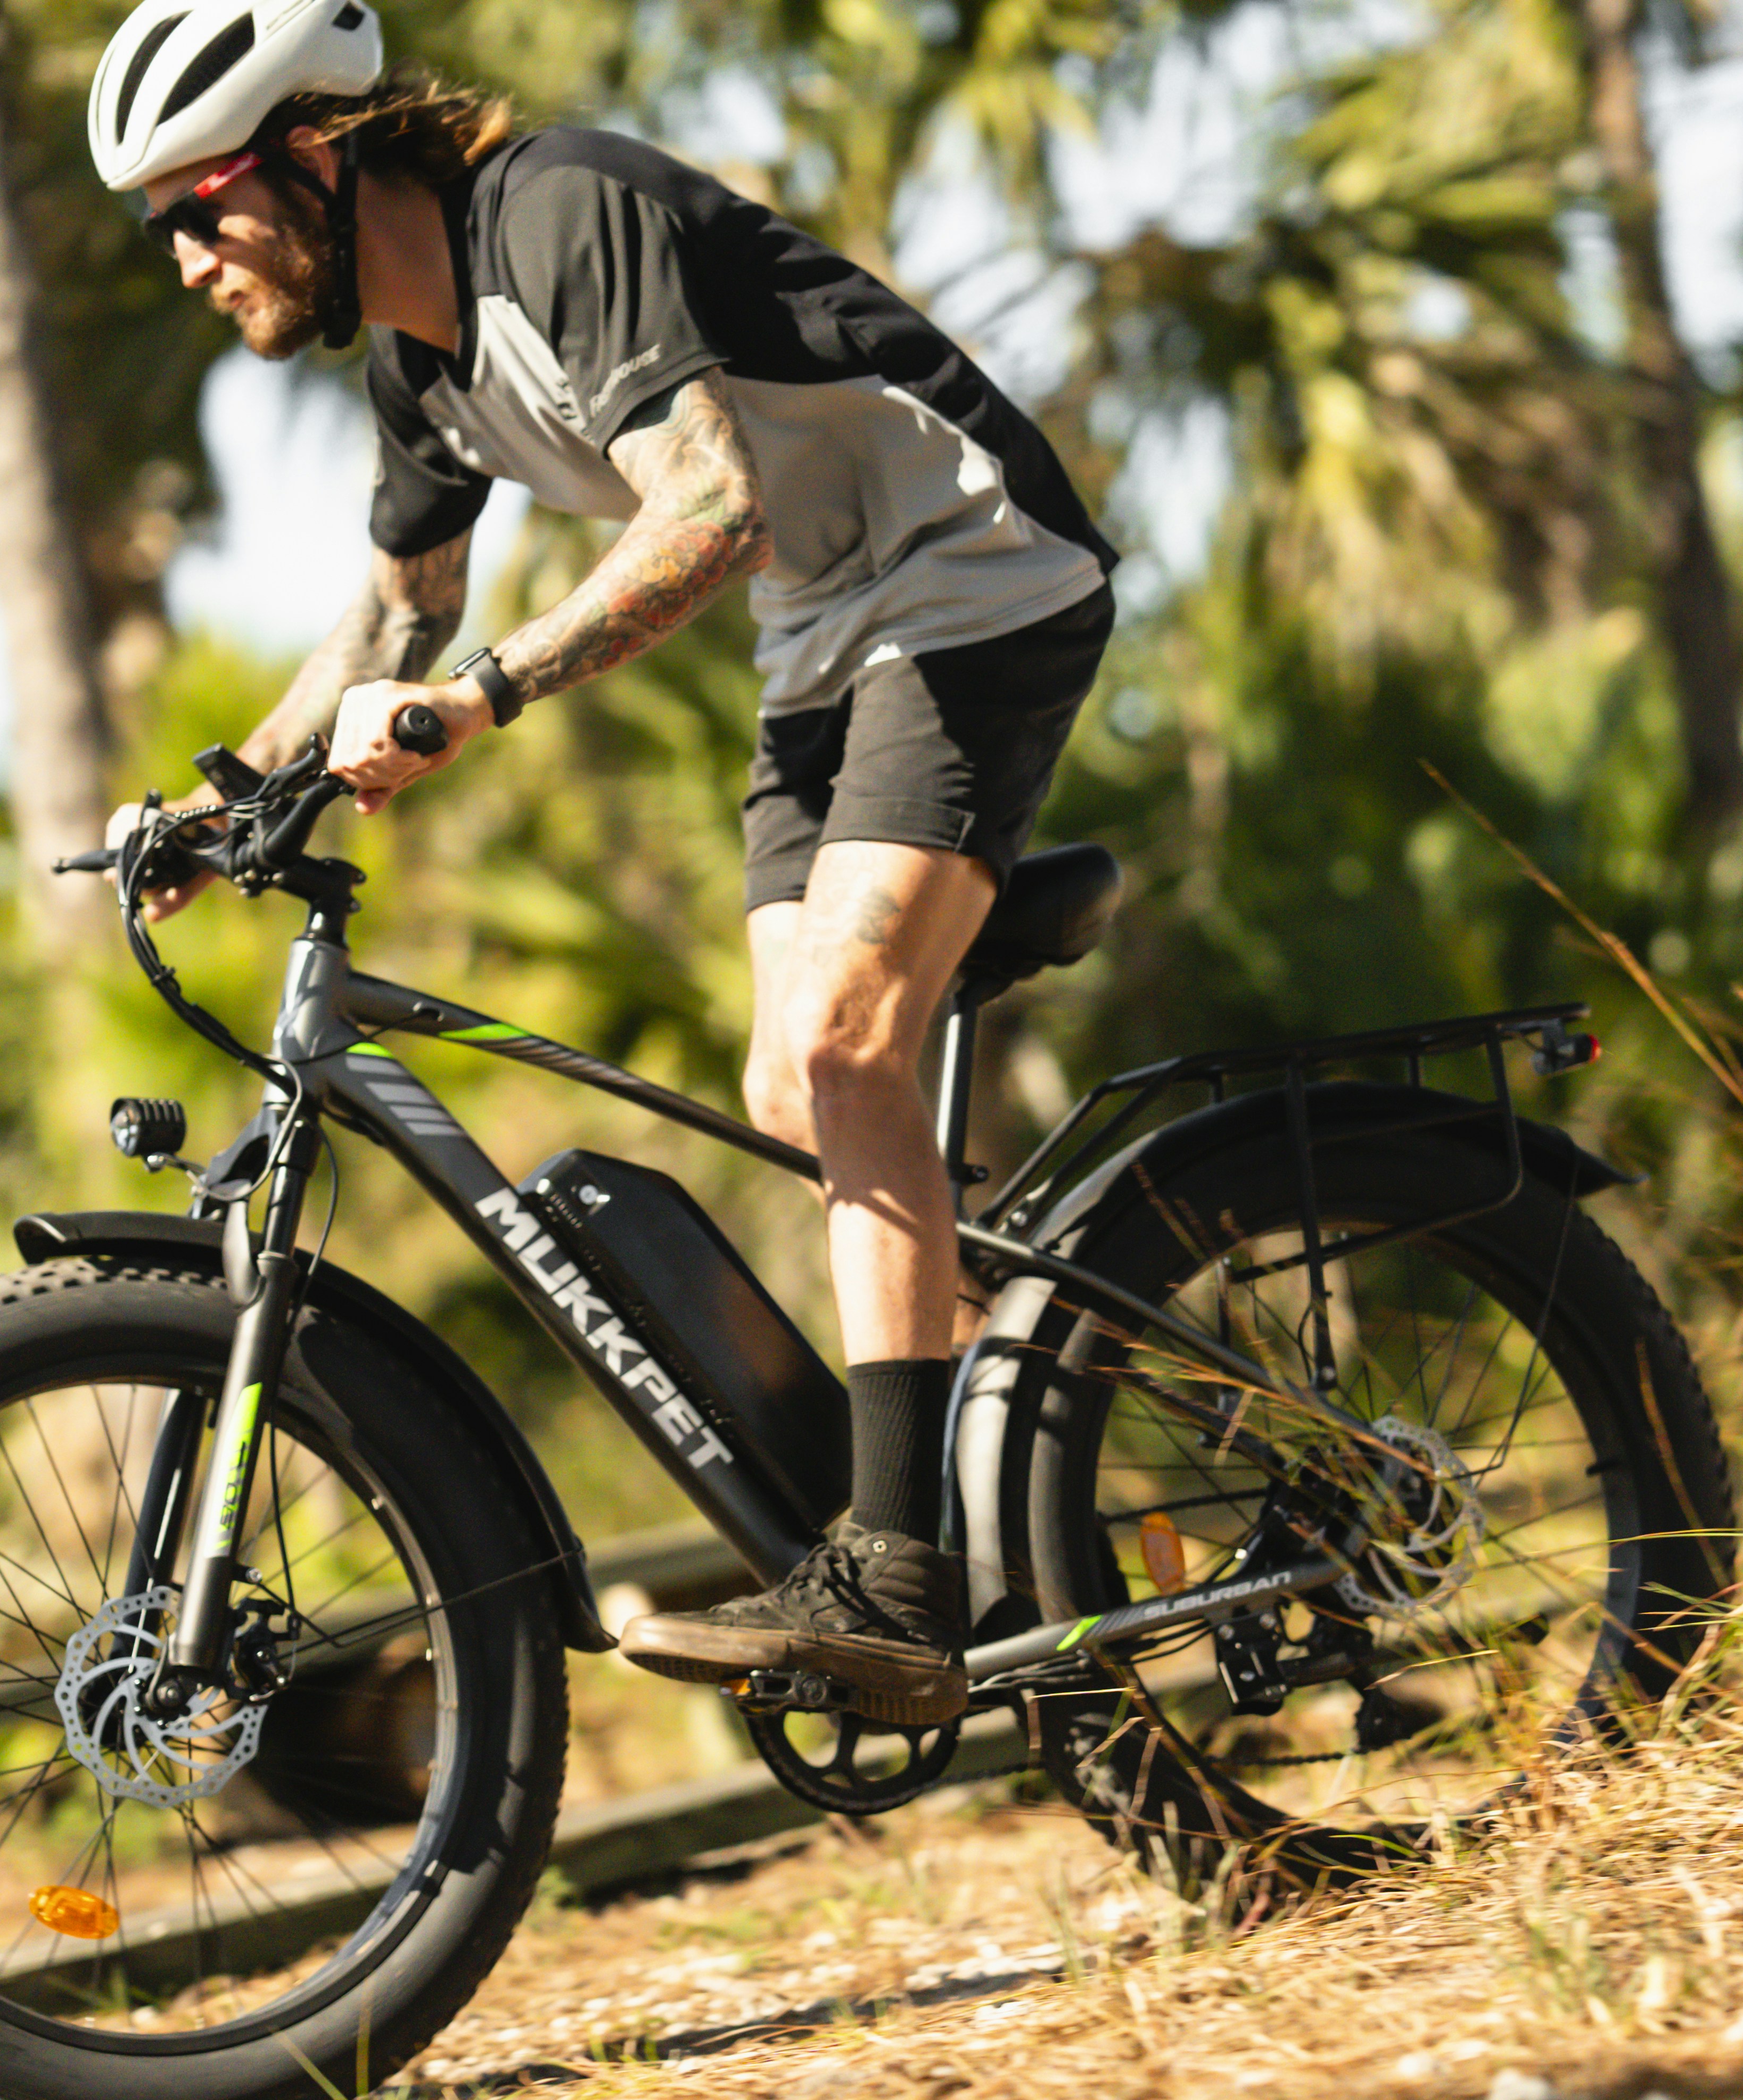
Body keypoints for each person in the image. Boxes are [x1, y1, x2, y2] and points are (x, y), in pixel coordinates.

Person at [86, 0, 1115, 1722]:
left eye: (203, 207)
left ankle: (898, 1582)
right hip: (827, 641)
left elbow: (711, 510)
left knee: (850, 1036)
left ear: (317, 159)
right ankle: (1053, 1365)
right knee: (795, 1093)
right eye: (163, 228)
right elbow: (393, 615)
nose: (188, 257)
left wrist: (479, 700)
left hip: (974, 567)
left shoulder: (556, 214)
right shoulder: (414, 367)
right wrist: (211, 809)